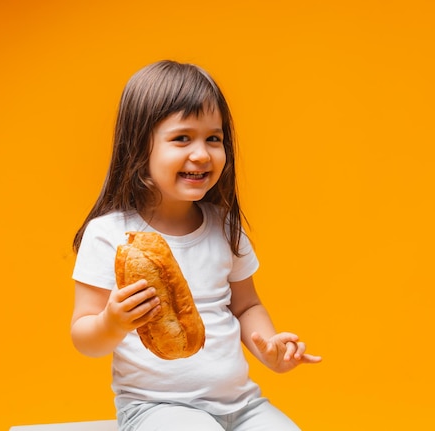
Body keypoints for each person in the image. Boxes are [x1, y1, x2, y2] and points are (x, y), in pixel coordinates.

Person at [70, 60, 322, 431]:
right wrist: (112, 321)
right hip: (156, 408)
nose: (202, 154)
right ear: (140, 147)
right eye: (182, 138)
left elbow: (247, 304)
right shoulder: (110, 234)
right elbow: (84, 337)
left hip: (242, 405)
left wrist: (270, 348)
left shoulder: (224, 226)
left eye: (214, 138)